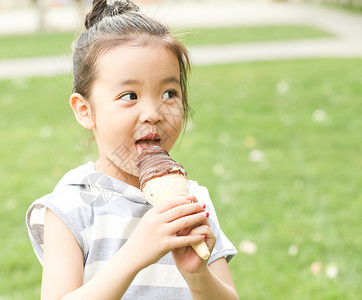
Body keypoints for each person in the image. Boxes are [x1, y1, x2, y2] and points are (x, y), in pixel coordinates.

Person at [26, 0, 238, 299]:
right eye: (130, 95)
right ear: (86, 110)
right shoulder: (71, 205)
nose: (153, 112)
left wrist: (198, 276)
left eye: (169, 93)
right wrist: (134, 255)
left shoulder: (192, 200)